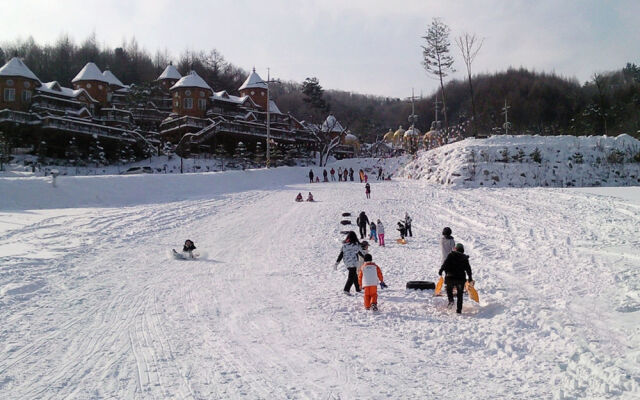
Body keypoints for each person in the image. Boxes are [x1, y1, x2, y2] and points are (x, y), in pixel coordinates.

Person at [438, 243, 473, 314]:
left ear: (455, 249)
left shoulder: (451, 255)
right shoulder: (465, 258)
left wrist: (441, 270)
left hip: (450, 277)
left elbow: (445, 264)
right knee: (460, 294)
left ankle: (451, 301)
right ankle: (459, 310)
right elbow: (468, 269)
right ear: (463, 251)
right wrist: (470, 278)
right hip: (460, 279)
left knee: (449, 290)